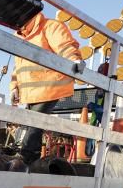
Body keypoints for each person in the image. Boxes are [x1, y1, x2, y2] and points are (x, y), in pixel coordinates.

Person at [9, 11, 84, 162]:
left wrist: (74, 59)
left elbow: (65, 46)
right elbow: (18, 66)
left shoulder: (50, 27)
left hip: (50, 86)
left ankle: (26, 157)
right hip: (31, 92)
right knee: (31, 124)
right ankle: (31, 158)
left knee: (35, 124)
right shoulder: (19, 36)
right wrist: (14, 86)